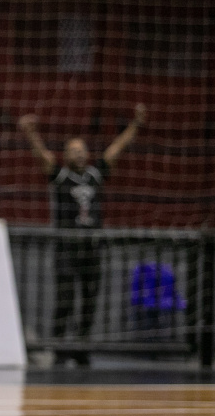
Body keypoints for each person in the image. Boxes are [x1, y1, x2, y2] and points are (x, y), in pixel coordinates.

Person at [18, 104, 146, 366]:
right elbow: (43, 157)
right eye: (73, 150)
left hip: (92, 248)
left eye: (81, 150)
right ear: (65, 155)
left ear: (87, 153)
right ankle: (60, 348)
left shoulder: (95, 175)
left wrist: (135, 125)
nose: (78, 154)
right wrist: (31, 134)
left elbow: (115, 150)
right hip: (66, 248)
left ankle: (82, 348)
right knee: (64, 300)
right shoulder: (62, 176)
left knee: (90, 301)